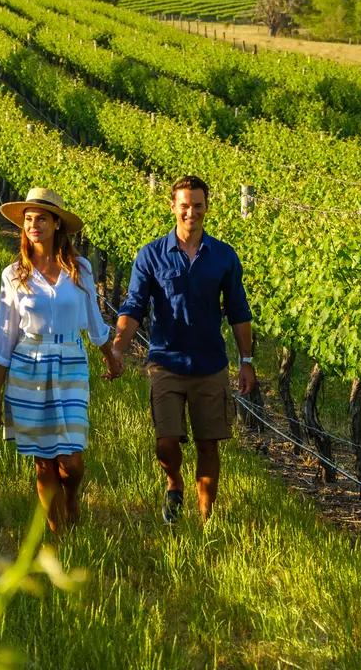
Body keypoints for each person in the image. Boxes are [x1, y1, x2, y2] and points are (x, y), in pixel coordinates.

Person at [108, 174, 256, 525]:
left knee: (209, 445)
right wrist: (117, 348)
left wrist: (246, 361)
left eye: (198, 205)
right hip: (166, 361)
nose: (192, 212)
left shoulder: (223, 256)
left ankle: (206, 521)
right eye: (185, 205)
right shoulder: (151, 255)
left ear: (207, 207)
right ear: (173, 207)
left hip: (210, 365)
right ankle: (174, 483)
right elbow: (134, 306)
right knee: (166, 440)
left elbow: (238, 311)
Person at [0, 187, 112, 533]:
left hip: (71, 362)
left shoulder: (79, 269)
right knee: (43, 461)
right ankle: (57, 534)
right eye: (28, 219)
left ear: (57, 224)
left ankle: (71, 498)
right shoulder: (13, 275)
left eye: (41, 218)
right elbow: (5, 335)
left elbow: (94, 319)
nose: (33, 225)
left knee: (71, 461)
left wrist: (110, 356)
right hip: (29, 365)